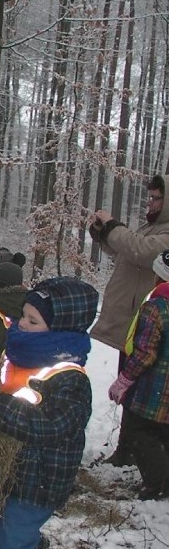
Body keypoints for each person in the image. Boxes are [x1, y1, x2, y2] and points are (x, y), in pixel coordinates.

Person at [0, 276, 98, 549]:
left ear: (60, 330)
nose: (21, 325)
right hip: (3, 468)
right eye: (22, 316)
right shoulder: (17, 355)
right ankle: (31, 545)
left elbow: (49, 426)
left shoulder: (70, 380)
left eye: (33, 320)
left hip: (38, 479)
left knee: (12, 547)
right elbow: (2, 385)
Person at [90, 175, 169, 465]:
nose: (150, 202)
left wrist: (113, 226)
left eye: (157, 198)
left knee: (143, 394)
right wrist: (103, 235)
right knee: (132, 391)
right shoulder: (152, 227)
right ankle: (128, 450)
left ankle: (143, 455)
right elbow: (128, 251)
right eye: (149, 197)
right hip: (136, 323)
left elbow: (139, 249)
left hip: (152, 325)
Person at [107, 250, 169, 500]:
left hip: (155, 388)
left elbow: (145, 353)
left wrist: (124, 380)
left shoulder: (156, 308)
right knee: (164, 434)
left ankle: (158, 482)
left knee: (139, 432)